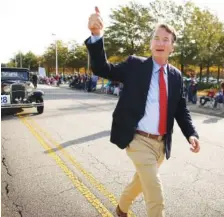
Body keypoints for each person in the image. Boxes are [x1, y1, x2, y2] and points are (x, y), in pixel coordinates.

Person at [85, 7, 200, 217]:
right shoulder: (135, 65)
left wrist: (191, 133)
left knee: (139, 183)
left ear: (172, 47)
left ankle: (120, 209)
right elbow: (103, 69)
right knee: (155, 195)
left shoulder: (176, 75)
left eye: (165, 39)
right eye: (156, 38)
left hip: (161, 144)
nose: (160, 42)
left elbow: (180, 108)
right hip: (138, 140)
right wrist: (96, 35)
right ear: (151, 44)